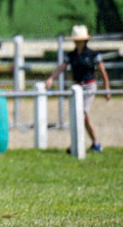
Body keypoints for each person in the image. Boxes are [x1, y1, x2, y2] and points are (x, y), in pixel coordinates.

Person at [45, 24, 111, 152]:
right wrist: (51, 78)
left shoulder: (93, 55)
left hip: (89, 85)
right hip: (76, 87)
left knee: (82, 112)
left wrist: (107, 88)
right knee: (79, 115)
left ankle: (85, 143)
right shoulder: (71, 56)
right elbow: (61, 67)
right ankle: (92, 142)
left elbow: (103, 71)